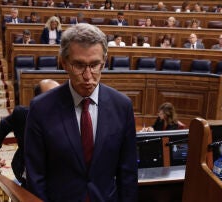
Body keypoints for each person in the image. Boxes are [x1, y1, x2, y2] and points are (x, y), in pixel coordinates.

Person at [24, 23, 138, 201]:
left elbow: (128, 173)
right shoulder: (41, 108)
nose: (87, 75)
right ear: (64, 63)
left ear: (104, 62)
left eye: (94, 65)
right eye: (79, 65)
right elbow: (36, 176)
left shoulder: (122, 106)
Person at [0, 79, 60, 187]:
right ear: (39, 100)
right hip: (27, 173)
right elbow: (2, 127)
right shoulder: (22, 115)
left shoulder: (68, 117)